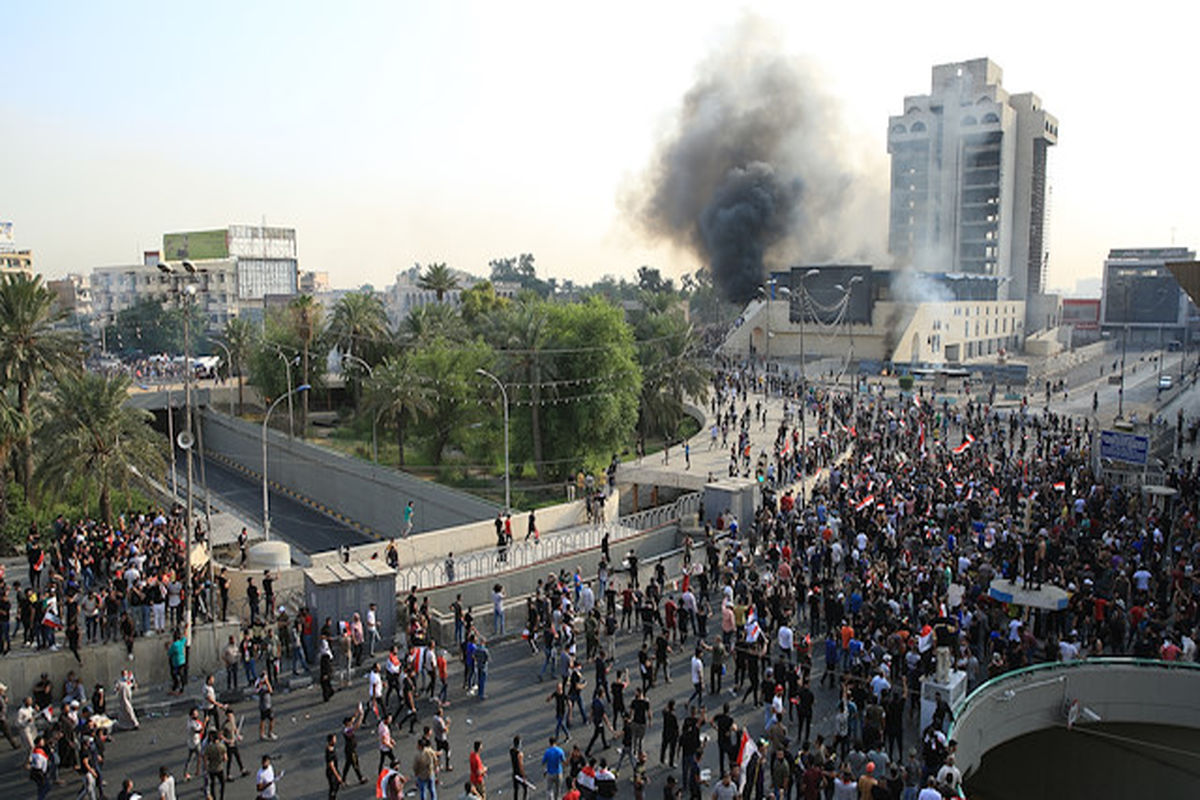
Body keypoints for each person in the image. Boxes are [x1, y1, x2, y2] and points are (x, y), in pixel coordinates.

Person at [204, 726, 229, 800]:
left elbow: (205, 758)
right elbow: (225, 758)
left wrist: (206, 767)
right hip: (219, 767)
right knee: (222, 783)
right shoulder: (222, 746)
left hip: (211, 768)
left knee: (212, 784)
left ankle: (214, 797)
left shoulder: (209, 747)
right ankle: (221, 797)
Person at [413, 736, 439, 800]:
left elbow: (415, 767)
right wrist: (435, 767)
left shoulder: (418, 756)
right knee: (432, 789)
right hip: (430, 773)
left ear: (420, 746)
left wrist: (416, 773)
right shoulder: (430, 751)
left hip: (422, 775)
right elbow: (435, 759)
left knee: (423, 791)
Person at [510, 735, 529, 800]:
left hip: (514, 773)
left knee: (516, 790)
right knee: (525, 787)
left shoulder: (511, 751)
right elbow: (521, 765)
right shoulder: (520, 754)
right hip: (519, 773)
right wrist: (523, 776)